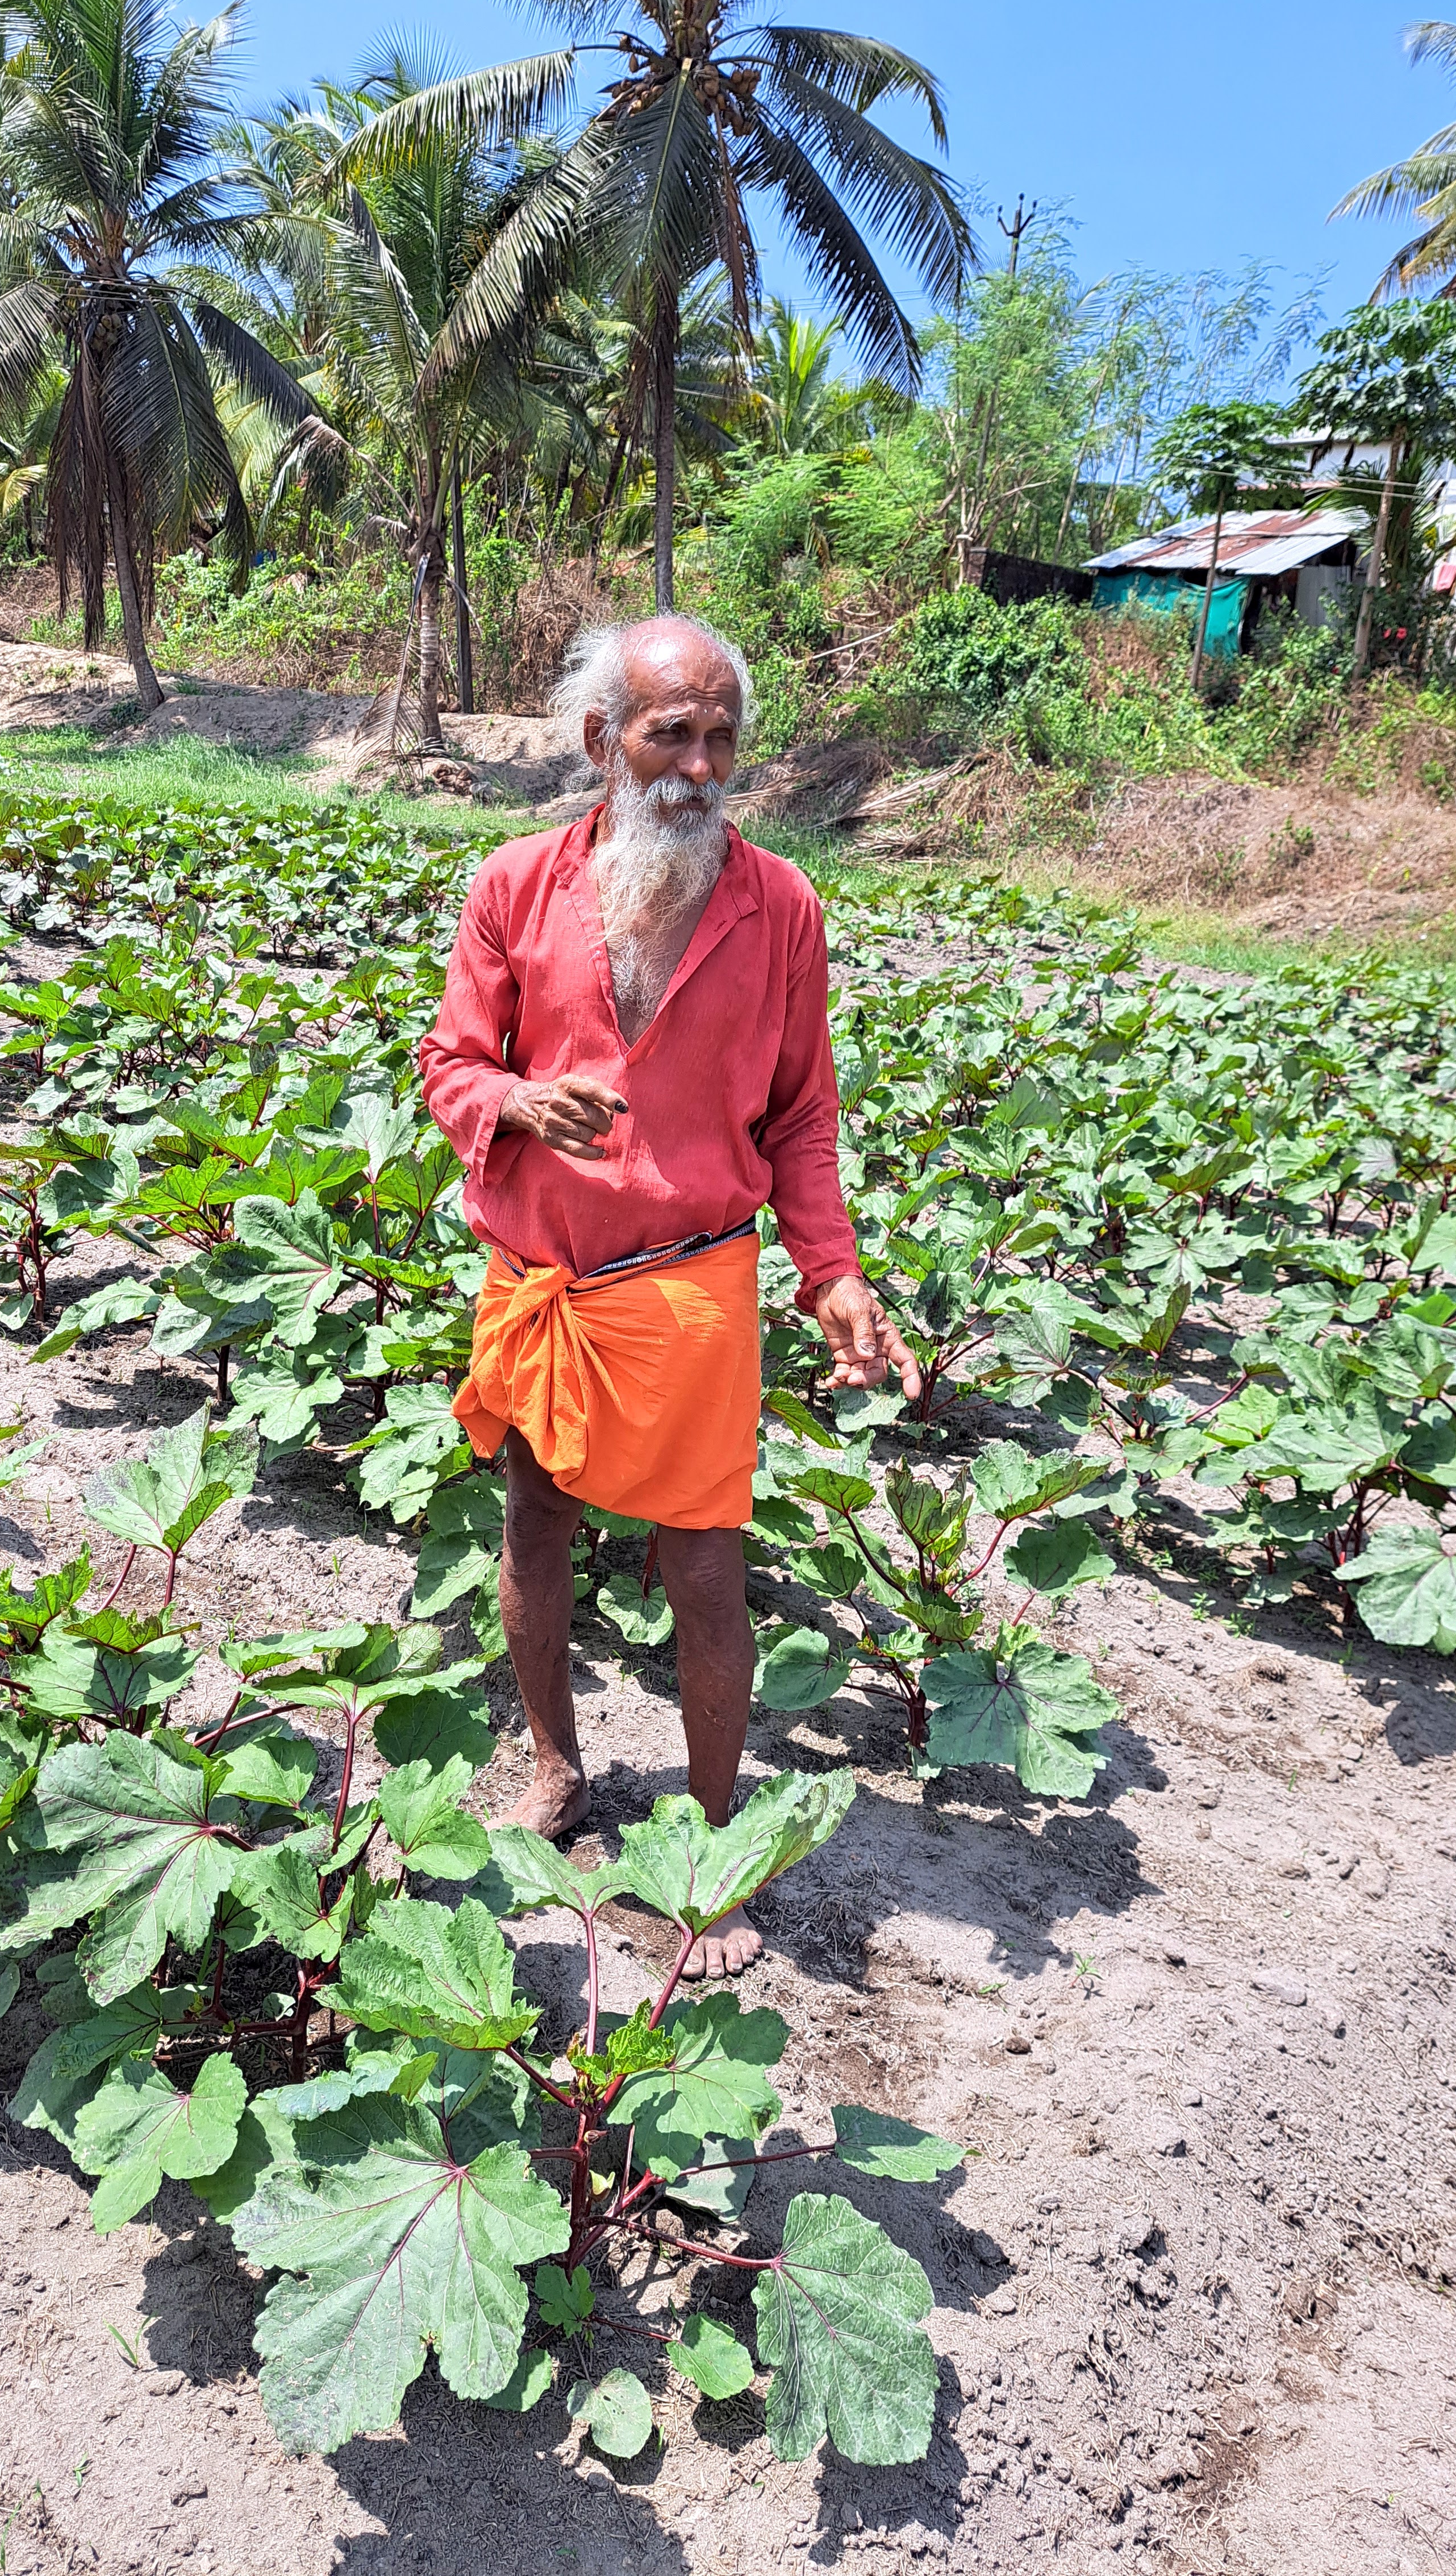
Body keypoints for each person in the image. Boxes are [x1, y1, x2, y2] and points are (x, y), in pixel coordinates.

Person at [418, 615, 919, 1976]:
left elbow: (803, 1114)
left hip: (691, 1285)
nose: (698, 767)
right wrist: (519, 1100)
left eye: (719, 737)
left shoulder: (783, 906)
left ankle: (704, 1839)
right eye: (668, 734)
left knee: (706, 1566)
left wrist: (835, 1270)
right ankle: (556, 1765)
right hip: (545, 1282)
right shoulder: (514, 885)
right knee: (533, 1517)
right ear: (602, 741)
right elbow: (451, 1064)